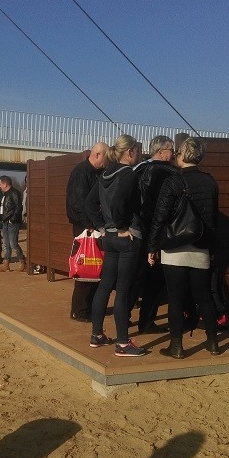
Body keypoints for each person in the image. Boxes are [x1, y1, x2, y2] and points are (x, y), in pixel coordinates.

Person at [147, 136, 222, 358]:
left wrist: (152, 246)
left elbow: (160, 217)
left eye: (178, 152)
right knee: (204, 296)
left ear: (184, 154)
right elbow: (213, 218)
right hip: (201, 246)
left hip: (175, 246)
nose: (176, 156)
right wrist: (212, 247)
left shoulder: (173, 181)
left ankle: (177, 346)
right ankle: (213, 343)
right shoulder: (210, 182)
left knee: (176, 298)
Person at [84, 134, 147, 357]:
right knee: (123, 289)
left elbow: (90, 203)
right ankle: (122, 343)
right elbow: (120, 203)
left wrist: (102, 227)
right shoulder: (129, 174)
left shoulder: (105, 174)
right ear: (130, 152)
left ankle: (97, 335)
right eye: (138, 150)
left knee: (105, 285)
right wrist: (121, 227)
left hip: (109, 237)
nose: (140, 154)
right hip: (126, 236)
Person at [132, 135, 177, 334]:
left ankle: (124, 319)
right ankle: (147, 322)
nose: (173, 154)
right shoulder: (167, 173)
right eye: (171, 150)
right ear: (161, 152)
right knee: (154, 280)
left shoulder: (138, 169)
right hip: (157, 232)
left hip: (136, 230)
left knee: (134, 277)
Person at [66, 142, 108, 322]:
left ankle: (87, 308)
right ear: (98, 155)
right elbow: (77, 202)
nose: (108, 161)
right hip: (86, 227)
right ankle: (80, 310)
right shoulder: (82, 172)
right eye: (107, 157)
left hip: (91, 226)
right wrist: (89, 224)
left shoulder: (93, 172)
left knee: (94, 267)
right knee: (85, 268)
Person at [0, 175, 25, 272]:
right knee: (6, 244)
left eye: (0, 184)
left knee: (13, 243)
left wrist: (12, 219)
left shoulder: (14, 193)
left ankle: (22, 261)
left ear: (5, 184)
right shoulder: (4, 194)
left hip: (12, 222)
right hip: (5, 221)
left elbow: (18, 207)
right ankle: (6, 264)